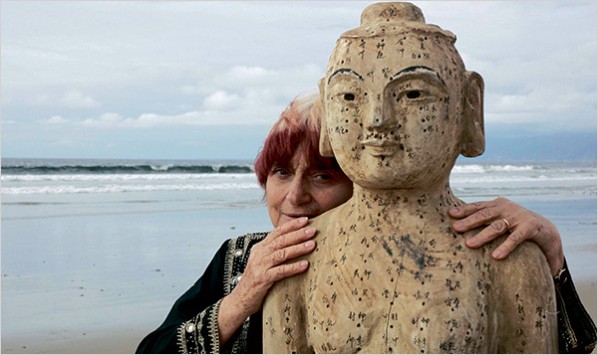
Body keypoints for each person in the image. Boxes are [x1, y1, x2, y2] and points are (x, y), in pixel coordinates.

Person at [136, 92, 595, 354]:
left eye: (321, 176)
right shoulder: (242, 258)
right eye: (280, 173)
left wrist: (551, 258)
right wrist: (238, 302)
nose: (295, 197)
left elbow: (573, 347)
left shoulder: (460, 249)